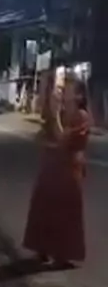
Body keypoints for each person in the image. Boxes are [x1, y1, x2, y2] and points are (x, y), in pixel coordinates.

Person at [23, 76, 90, 270]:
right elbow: (40, 137)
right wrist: (51, 117)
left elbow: (63, 138)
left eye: (67, 90)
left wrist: (55, 116)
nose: (62, 92)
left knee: (64, 211)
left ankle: (62, 254)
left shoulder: (82, 116)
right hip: (52, 164)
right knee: (43, 205)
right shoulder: (60, 112)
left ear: (79, 96)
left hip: (69, 168)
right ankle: (42, 248)